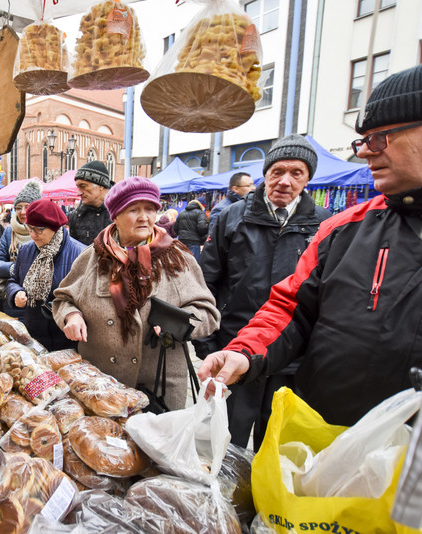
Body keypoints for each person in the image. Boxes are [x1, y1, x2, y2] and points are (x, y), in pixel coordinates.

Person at [198, 64, 422, 429]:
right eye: (363, 140)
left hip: (403, 458)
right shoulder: (342, 229)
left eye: (381, 137)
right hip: (320, 437)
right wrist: (241, 350)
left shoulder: (321, 220)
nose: (366, 152)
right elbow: (291, 306)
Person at [199, 134, 331, 449]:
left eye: (296, 173)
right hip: (235, 346)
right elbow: (207, 281)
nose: (285, 181)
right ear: (266, 173)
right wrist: (207, 343)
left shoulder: (325, 225)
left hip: (292, 357)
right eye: (277, 171)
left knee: (277, 445)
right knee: (225, 441)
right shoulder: (232, 217)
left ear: (308, 178)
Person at [54, 177, 220, 411]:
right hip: (101, 387)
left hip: (159, 390)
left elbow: (208, 313)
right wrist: (72, 316)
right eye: (134, 209)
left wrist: (178, 324)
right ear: (116, 216)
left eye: (150, 209)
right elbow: (63, 299)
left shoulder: (176, 258)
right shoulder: (92, 257)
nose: (144, 217)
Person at [7, 199, 86, 351]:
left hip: (66, 338)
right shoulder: (25, 250)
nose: (33, 235)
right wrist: (15, 292)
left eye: (39, 229)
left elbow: (86, 297)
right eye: (29, 228)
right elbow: (13, 280)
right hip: (32, 334)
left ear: (55, 228)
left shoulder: (80, 253)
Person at [0, 180, 42, 318]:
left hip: (40, 301)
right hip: (14, 298)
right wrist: (15, 268)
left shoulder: (46, 231)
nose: (23, 212)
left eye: (27, 206)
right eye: (19, 207)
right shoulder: (9, 232)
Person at [68, 160, 113, 246]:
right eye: (78, 187)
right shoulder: (76, 216)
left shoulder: (121, 212)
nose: (79, 193)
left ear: (101, 186)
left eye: (83, 186)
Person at [175, 196, 208, 262]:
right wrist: (203, 236)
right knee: (194, 265)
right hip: (194, 242)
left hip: (182, 240)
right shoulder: (200, 213)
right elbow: (202, 227)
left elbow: (175, 228)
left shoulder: (181, 213)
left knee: (183, 263)